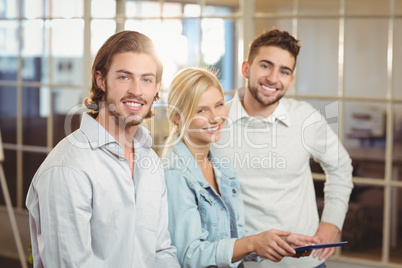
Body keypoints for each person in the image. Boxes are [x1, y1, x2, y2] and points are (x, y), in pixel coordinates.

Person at [25, 30, 180, 267]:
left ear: (156, 86)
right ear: (101, 80)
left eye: (147, 79)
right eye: (124, 77)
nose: (137, 91)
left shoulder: (150, 163)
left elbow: (161, 251)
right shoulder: (68, 168)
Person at [212, 28, 354, 268]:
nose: (273, 78)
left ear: (291, 80)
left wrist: (332, 222)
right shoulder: (215, 120)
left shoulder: (304, 119)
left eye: (284, 71)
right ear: (246, 68)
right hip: (241, 263)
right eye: (265, 66)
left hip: (304, 264)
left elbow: (341, 166)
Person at [163, 67, 319, 268]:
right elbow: (189, 255)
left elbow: (235, 239)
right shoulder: (175, 173)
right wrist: (252, 243)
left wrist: (274, 244)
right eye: (201, 110)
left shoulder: (222, 165)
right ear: (177, 117)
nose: (215, 117)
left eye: (219, 105)